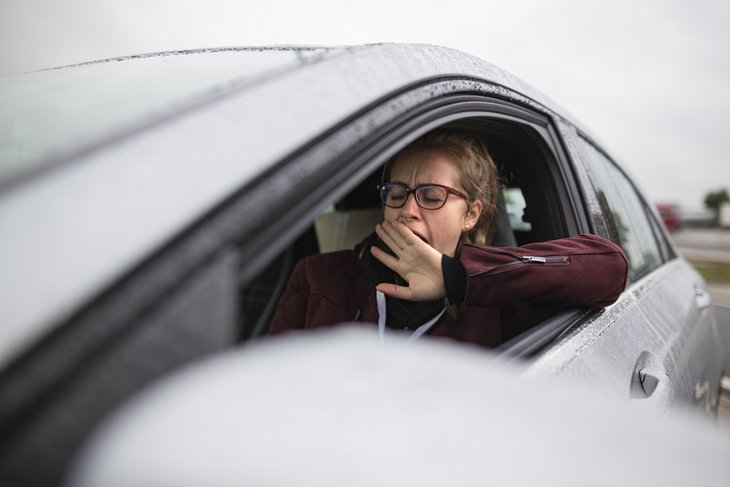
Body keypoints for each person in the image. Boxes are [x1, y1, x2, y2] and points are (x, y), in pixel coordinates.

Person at [268, 129, 628, 347]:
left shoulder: (502, 302)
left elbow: (609, 266)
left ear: (470, 214)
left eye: (431, 195)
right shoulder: (318, 277)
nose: (407, 210)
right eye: (396, 193)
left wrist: (456, 278)